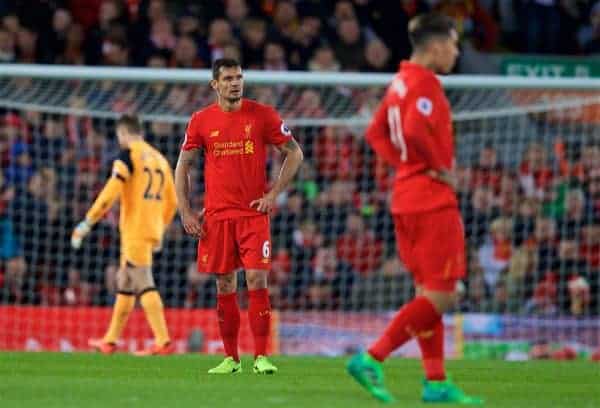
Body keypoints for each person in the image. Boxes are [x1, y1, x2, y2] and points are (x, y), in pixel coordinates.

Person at [346, 14, 483, 404]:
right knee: (445, 294)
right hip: (431, 200)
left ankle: (436, 382)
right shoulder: (425, 85)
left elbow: (376, 132)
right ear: (437, 46)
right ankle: (372, 357)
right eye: (454, 44)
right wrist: (435, 167)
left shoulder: (400, 81)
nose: (456, 52)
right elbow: (411, 131)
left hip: (405, 196)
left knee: (428, 293)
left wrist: (406, 165)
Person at [175, 58, 303, 374]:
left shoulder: (262, 115)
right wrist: (185, 210)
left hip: (252, 214)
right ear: (215, 84)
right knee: (225, 284)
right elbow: (183, 165)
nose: (235, 82)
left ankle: (261, 357)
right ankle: (231, 359)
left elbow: (294, 153)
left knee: (257, 277)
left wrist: (274, 194)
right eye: (229, 78)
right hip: (217, 217)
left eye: (239, 77)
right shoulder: (201, 120)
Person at [71, 114, 177, 356]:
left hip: (135, 230)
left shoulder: (128, 155)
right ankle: (110, 340)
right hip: (150, 228)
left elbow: (111, 192)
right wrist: (159, 227)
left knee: (142, 280)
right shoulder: (160, 159)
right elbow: (172, 202)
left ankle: (163, 341)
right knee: (125, 282)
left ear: (123, 133)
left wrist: (88, 221)